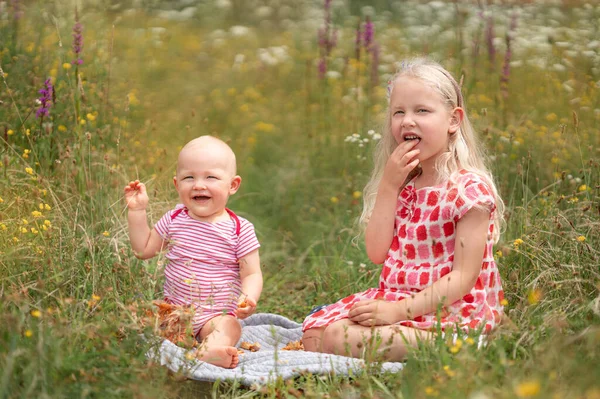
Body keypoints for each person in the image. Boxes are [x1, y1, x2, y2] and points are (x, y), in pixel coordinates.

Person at [302, 58, 505, 361]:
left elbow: (463, 278)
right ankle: (407, 344)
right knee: (314, 335)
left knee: (336, 336)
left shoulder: (468, 191)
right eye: (399, 112)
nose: (407, 121)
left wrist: (396, 312)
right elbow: (376, 252)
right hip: (400, 300)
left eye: (421, 110)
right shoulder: (407, 186)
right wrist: (389, 186)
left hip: (451, 314)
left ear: (453, 120)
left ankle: (462, 345)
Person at [124, 135, 262, 369]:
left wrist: (248, 297)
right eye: (189, 177)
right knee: (143, 317)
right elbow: (143, 250)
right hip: (175, 313)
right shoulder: (174, 220)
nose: (199, 185)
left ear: (233, 185)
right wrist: (137, 212)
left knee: (230, 326)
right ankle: (172, 345)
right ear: (177, 184)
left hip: (214, 316)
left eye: (211, 177)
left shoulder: (240, 229)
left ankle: (209, 351)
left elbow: (251, 273)